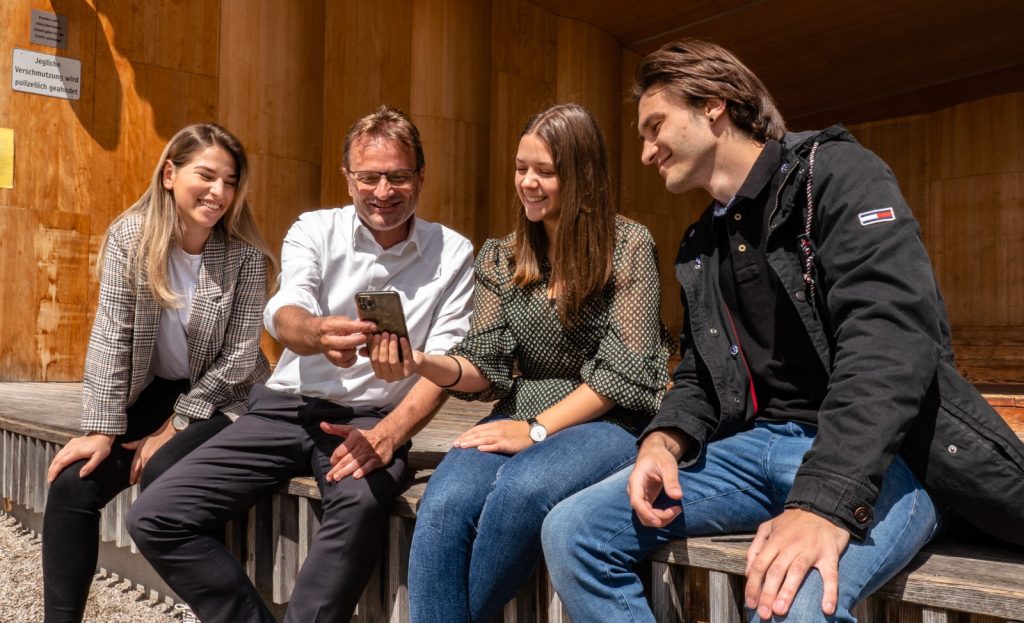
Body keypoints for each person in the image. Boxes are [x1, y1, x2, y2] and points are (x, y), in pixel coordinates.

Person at [540, 38, 1021, 622]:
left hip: (881, 458)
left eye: (654, 126)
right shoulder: (700, 244)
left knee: (784, 603)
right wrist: (663, 441)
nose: (646, 152)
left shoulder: (839, 175)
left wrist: (823, 504)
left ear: (713, 106)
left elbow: (890, 341)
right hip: (754, 451)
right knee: (573, 532)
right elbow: (698, 373)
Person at [126, 105, 475, 623]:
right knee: (154, 516)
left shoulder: (453, 252)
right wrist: (314, 333)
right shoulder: (315, 228)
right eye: (369, 177)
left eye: (399, 176)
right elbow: (284, 311)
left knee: (359, 504)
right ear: (347, 178)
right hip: (281, 408)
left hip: (369, 419)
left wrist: (392, 434)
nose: (383, 191)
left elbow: (450, 361)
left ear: (421, 177)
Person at [366, 103, 674, 622]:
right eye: (520, 168)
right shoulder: (501, 256)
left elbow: (625, 373)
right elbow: (481, 364)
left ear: (582, 175)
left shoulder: (629, 245)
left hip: (609, 417)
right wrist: (420, 361)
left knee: (521, 490)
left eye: (545, 172)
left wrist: (534, 432)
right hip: (521, 409)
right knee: (443, 506)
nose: (527, 183)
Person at [42, 123, 275, 623]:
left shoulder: (245, 256)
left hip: (226, 392)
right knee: (71, 487)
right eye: (206, 175)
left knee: (168, 474)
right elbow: (111, 334)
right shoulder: (131, 237)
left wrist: (174, 427)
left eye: (230, 182)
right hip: (156, 389)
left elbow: (238, 358)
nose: (218, 192)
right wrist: (103, 429)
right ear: (170, 173)